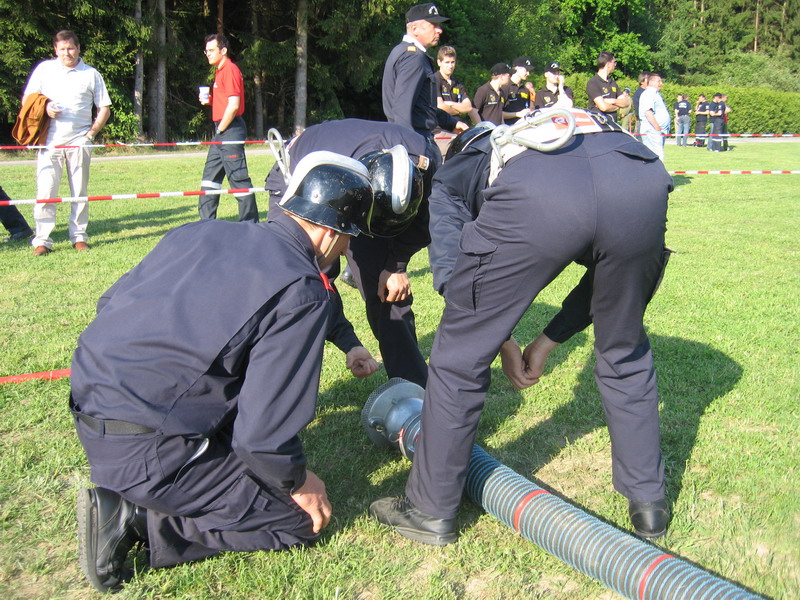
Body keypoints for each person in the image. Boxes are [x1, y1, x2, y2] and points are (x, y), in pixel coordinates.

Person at [72, 152, 378, 593]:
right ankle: (136, 518)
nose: (347, 249)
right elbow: (262, 437)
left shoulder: (200, 231)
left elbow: (109, 304)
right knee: (297, 519)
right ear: (331, 232)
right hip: (143, 449)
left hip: (89, 401)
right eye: (349, 238)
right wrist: (298, 481)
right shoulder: (302, 290)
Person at [370, 110, 673, 545]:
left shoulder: (453, 177)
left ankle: (430, 510)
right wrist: (546, 340)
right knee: (624, 348)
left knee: (458, 358)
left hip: (542, 188)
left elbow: (459, 278)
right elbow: (603, 283)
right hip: (639, 176)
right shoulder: (542, 129)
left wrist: (492, 335)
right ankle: (649, 504)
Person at [266, 119, 436, 387]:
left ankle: (412, 387)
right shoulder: (337, 177)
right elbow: (315, 278)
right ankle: (282, 385)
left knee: (387, 291)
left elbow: (429, 219)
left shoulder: (427, 163)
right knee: (301, 280)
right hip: (304, 178)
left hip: (365, 173)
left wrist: (395, 265)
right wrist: (350, 342)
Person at [22, 30, 111, 256]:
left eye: (70, 48)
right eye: (62, 49)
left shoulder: (91, 74)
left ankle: (79, 237)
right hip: (48, 142)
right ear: (55, 50)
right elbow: (27, 100)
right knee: (46, 191)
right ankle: (42, 240)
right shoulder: (44, 70)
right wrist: (46, 107)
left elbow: (104, 108)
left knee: (79, 191)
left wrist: (90, 135)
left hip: (79, 141)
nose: (66, 53)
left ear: (78, 48)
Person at [382, 3, 467, 168]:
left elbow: (422, 107)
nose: (439, 30)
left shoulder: (406, 53)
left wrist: (451, 122)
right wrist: (412, 155)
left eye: (439, 25)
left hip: (417, 139)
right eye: (433, 25)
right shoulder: (413, 57)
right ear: (414, 29)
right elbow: (401, 110)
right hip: (417, 142)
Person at [197, 34, 259, 222]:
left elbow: (234, 106)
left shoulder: (230, 70)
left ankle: (250, 224)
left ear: (223, 50)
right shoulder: (219, 71)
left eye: (211, 50)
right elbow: (225, 102)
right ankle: (206, 224)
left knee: (238, 178)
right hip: (222, 130)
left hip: (230, 129)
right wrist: (210, 101)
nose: (208, 54)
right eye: (206, 51)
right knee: (209, 179)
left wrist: (221, 129)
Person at [434, 46, 479, 125]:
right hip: (440, 126)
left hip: (457, 125)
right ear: (439, 62)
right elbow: (440, 106)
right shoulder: (434, 80)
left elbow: (468, 107)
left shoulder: (457, 84)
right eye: (447, 62)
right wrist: (459, 110)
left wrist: (449, 104)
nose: (450, 66)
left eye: (452, 62)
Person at [586, 51, 629, 121]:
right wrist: (618, 106)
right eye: (614, 62)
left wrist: (612, 101)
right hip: (599, 124)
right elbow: (604, 107)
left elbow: (626, 102)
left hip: (613, 123)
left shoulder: (612, 82)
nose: (615, 65)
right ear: (608, 64)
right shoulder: (593, 82)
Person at [638, 73, 670, 161]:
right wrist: (657, 129)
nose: (661, 83)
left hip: (656, 131)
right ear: (651, 82)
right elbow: (648, 113)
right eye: (658, 81)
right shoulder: (648, 94)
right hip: (652, 130)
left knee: (657, 156)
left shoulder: (655, 94)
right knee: (657, 157)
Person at [503, 57, 534, 124]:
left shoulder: (525, 89)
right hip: (508, 127)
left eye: (529, 71)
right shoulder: (504, 87)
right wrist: (517, 114)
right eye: (526, 70)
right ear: (517, 68)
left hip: (523, 126)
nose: (528, 73)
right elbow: (497, 114)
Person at [632, 72, 650, 139]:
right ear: (642, 82)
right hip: (643, 122)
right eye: (648, 79)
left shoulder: (648, 92)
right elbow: (638, 109)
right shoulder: (640, 93)